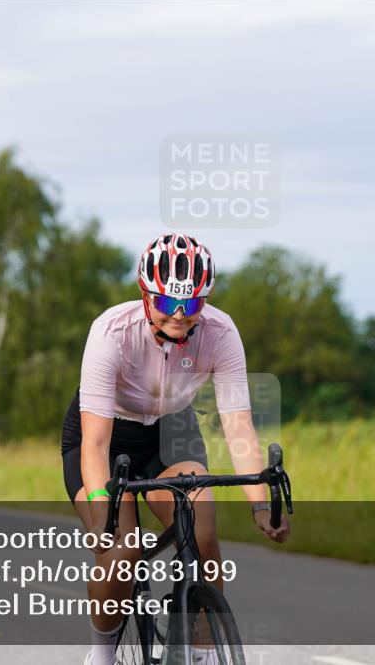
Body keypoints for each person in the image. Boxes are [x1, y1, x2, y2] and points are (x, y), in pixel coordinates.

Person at [61, 232, 290, 665]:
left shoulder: (221, 333)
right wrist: (101, 510)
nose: (181, 315)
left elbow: (238, 424)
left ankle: (201, 651)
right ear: (146, 295)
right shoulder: (112, 332)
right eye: (168, 302)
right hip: (105, 437)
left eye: (193, 303)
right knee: (122, 551)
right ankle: (102, 656)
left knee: (201, 529)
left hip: (171, 429)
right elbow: (95, 442)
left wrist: (260, 506)